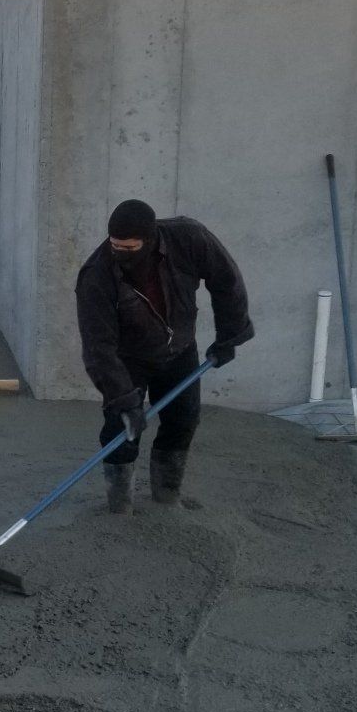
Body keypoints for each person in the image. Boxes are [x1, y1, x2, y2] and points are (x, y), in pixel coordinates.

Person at [74, 199, 253, 512]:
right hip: (127, 358)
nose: (120, 254)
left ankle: (167, 497)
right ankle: (119, 507)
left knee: (183, 420)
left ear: (150, 238)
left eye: (129, 248)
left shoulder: (189, 238)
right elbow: (98, 347)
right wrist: (124, 401)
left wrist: (229, 336)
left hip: (179, 348)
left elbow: (227, 280)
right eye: (115, 246)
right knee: (121, 430)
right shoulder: (96, 276)